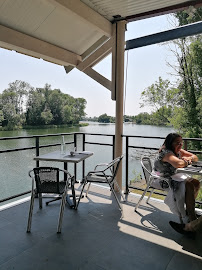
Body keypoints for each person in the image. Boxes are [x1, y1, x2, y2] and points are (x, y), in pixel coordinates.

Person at [153, 133, 200, 222]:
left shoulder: (178, 151)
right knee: (189, 186)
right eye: (177, 143)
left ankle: (190, 208)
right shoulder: (166, 153)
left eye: (181, 143)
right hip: (162, 179)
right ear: (170, 143)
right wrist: (187, 162)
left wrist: (189, 158)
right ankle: (191, 216)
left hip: (174, 176)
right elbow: (178, 164)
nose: (180, 145)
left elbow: (195, 157)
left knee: (196, 183)